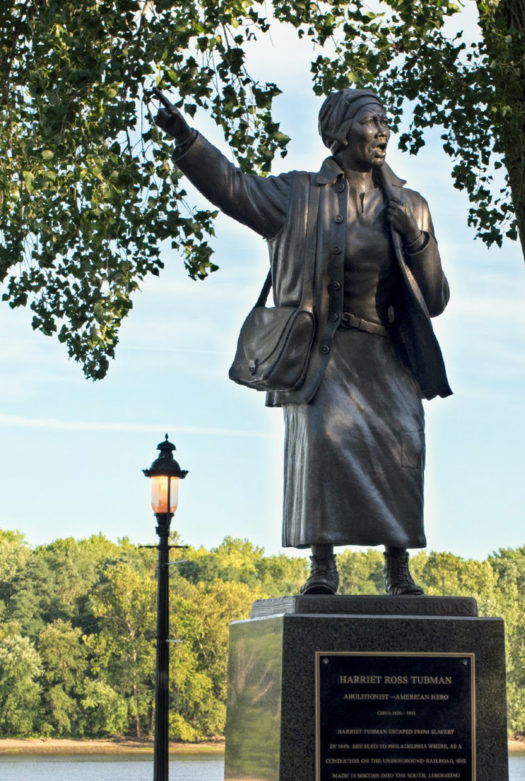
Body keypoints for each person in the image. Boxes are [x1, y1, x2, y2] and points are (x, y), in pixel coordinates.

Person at [152, 87, 451, 595]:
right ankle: (322, 565)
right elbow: (235, 190)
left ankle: (398, 568)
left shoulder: (410, 205)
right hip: (326, 356)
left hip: (389, 357)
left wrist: (416, 238)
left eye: (384, 121)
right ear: (338, 133)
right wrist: (188, 141)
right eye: (369, 121)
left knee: (403, 447)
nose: (381, 131)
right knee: (325, 445)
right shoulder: (299, 195)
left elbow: (436, 298)